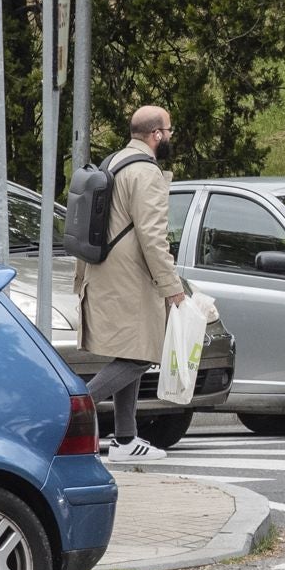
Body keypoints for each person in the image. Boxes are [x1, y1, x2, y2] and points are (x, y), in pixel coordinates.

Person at [76, 105, 189, 460]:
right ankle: (73, 410)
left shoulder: (115, 161)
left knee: (132, 351)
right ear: (156, 135)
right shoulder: (146, 172)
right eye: (169, 130)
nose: (170, 136)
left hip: (106, 271)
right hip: (130, 278)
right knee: (141, 356)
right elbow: (153, 237)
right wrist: (172, 286)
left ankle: (125, 439)